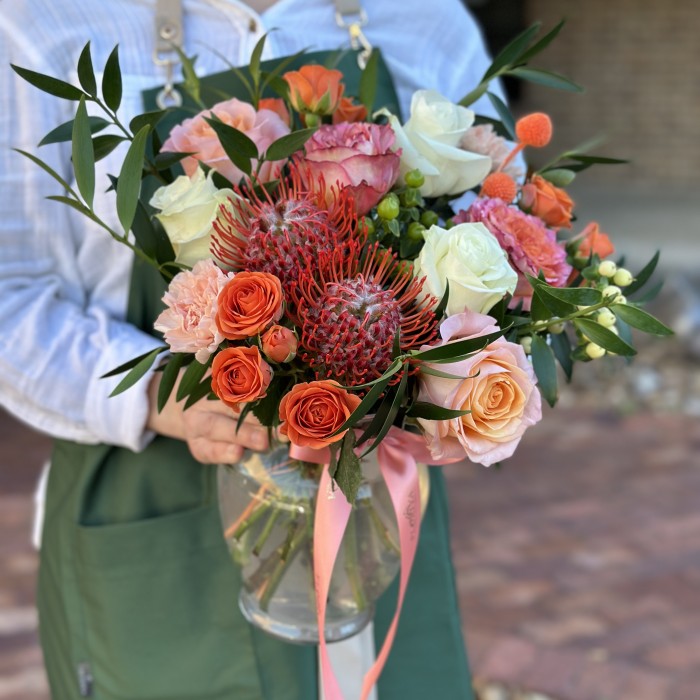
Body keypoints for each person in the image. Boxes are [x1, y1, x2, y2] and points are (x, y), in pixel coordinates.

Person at [0, 1, 506, 698]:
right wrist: (162, 390)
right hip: (152, 507)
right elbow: (9, 298)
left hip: (376, 505)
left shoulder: (422, 16)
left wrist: (455, 373)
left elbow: (500, 229)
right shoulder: (42, 24)